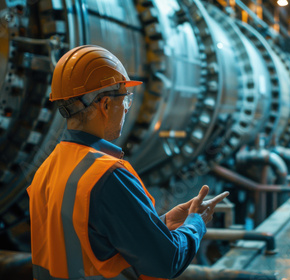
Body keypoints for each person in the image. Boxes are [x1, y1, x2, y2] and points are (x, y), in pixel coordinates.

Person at [27, 45, 229, 280]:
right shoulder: (106, 175)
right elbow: (167, 260)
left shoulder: (46, 170)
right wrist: (196, 223)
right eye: (126, 99)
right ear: (104, 104)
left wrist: (161, 224)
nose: (126, 107)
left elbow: (90, 239)